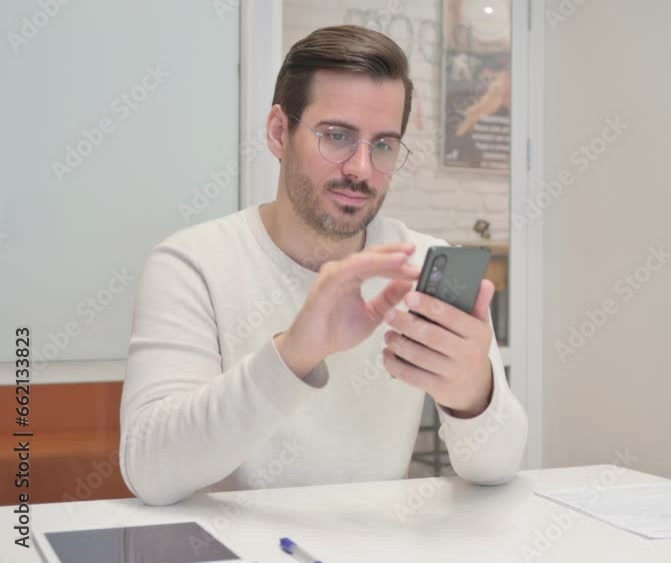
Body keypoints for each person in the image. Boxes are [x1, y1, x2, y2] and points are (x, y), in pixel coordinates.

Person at [119, 25, 527, 506]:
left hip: (378, 545)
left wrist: (474, 394)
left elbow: (497, 468)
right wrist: (294, 353)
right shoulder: (192, 264)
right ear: (278, 132)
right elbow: (148, 471)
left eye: (383, 145)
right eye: (337, 136)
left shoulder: (422, 263)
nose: (360, 168)